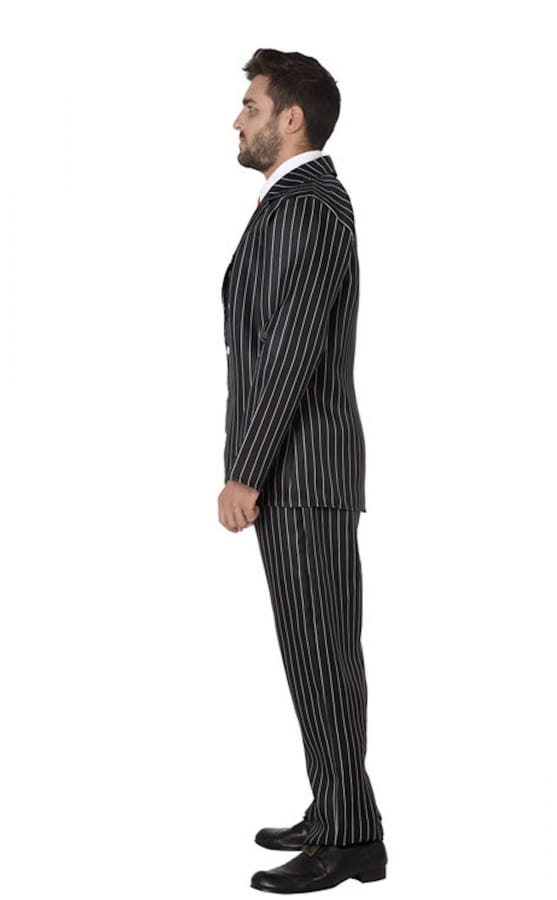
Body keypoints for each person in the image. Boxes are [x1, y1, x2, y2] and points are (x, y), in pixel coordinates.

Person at [217, 48, 387, 894]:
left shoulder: (312, 207)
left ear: (292, 119)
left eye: (251, 106)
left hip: (300, 472)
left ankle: (350, 841)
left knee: (323, 656)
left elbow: (291, 349)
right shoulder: (293, 204)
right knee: (315, 655)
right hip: (296, 472)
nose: (237, 119)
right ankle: (339, 809)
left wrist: (245, 471)